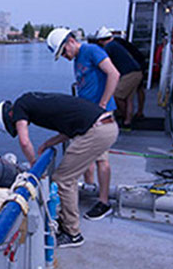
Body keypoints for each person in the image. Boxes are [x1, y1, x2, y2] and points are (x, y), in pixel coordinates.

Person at [0, 92, 119, 247]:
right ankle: (66, 220)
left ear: (9, 116)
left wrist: (33, 164)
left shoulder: (20, 107)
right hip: (106, 125)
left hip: (96, 131)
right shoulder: (33, 99)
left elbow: (24, 142)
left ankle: (73, 234)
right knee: (67, 175)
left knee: (63, 180)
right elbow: (70, 128)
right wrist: (48, 143)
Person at [46, 27, 119, 221]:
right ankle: (89, 187)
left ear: (70, 41)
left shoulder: (92, 51)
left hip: (99, 115)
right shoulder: (78, 59)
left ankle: (104, 202)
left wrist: (102, 105)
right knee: (87, 156)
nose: (64, 57)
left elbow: (114, 74)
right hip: (87, 116)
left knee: (102, 159)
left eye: (63, 52)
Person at [95, 30, 143, 127]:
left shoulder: (108, 47)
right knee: (129, 98)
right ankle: (128, 121)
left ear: (100, 41)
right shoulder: (116, 44)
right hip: (137, 72)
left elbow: (105, 65)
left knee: (117, 96)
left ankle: (124, 116)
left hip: (129, 74)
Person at [112, 35, 147, 120]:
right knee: (133, 92)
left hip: (136, 64)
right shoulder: (118, 43)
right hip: (136, 64)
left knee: (137, 89)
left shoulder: (114, 46)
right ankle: (135, 113)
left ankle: (130, 113)